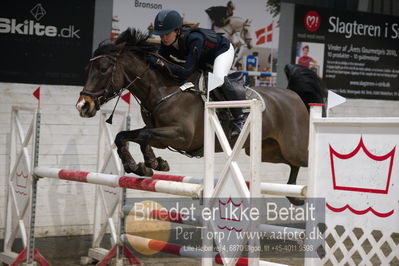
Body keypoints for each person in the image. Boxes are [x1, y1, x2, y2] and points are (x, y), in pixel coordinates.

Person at [148, 9, 246, 136]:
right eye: (161, 35)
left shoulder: (194, 39)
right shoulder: (166, 43)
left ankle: (239, 120)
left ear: (177, 30)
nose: (163, 38)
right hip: (203, 56)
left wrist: (160, 63)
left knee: (218, 79)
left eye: (166, 34)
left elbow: (185, 72)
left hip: (222, 51)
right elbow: (163, 64)